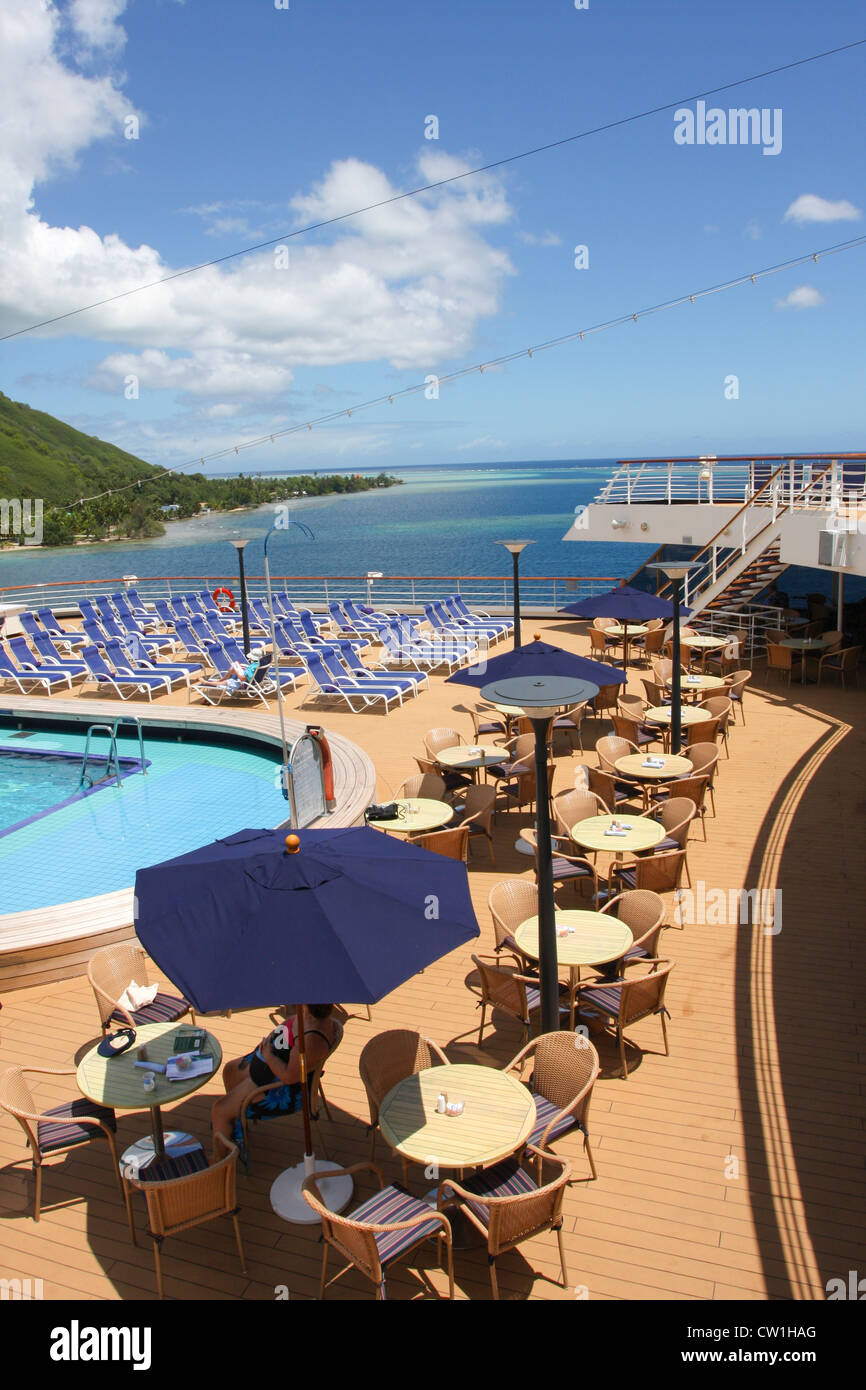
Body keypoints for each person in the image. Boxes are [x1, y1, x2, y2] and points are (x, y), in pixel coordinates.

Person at [211, 1004, 337, 1156]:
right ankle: (235, 1122)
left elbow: (289, 1077)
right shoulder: (308, 1015)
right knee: (230, 1069)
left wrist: (268, 1055)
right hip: (270, 1063)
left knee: (219, 1111)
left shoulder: (312, 1040)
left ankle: (220, 1162)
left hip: (283, 1088)